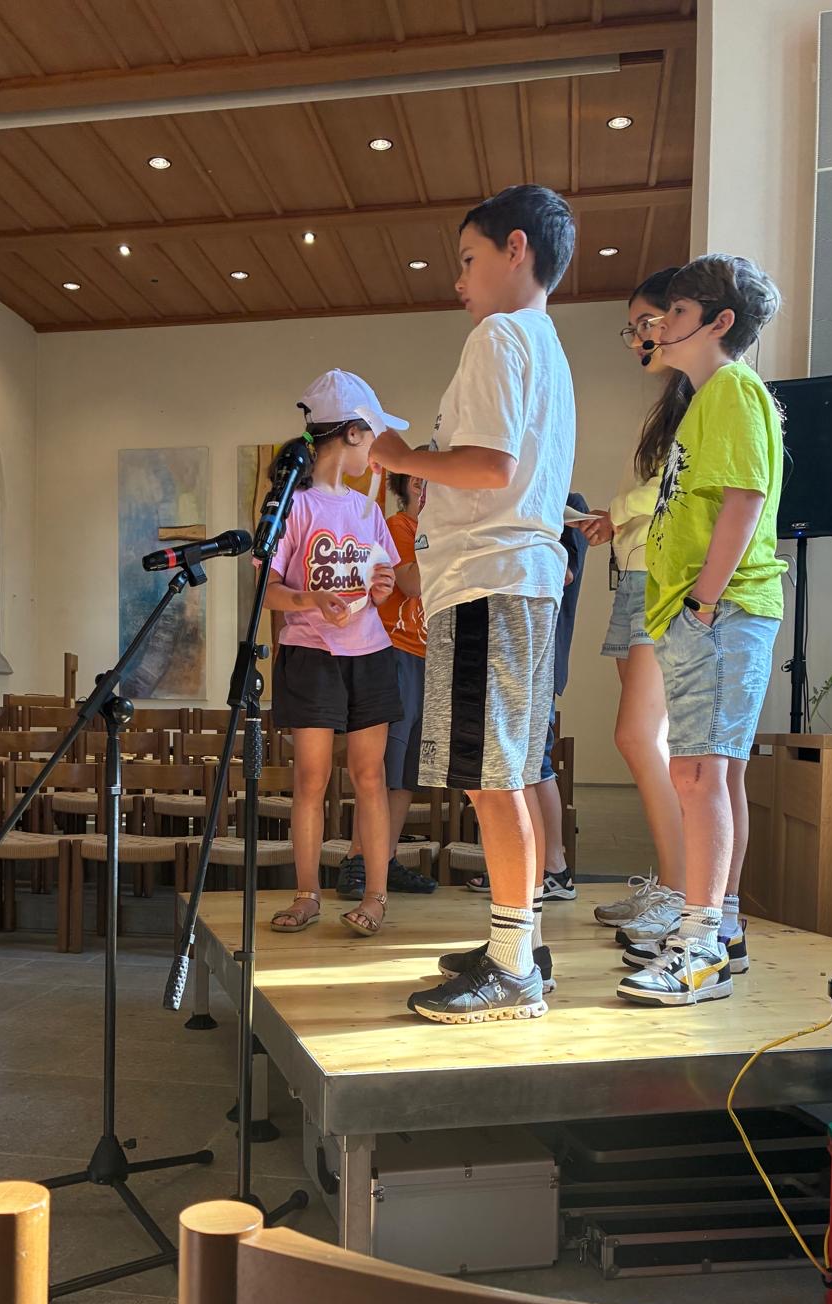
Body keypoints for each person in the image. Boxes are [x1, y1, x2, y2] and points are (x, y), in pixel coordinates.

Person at [371, 184, 577, 1024]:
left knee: (492, 780)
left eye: (467, 259)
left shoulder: (498, 335)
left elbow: (490, 466)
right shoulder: (547, 344)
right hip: (517, 577)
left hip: (488, 578)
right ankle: (520, 943)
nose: (458, 281)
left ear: (515, 248)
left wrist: (401, 457)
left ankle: (512, 970)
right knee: (512, 773)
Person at [617, 254, 784, 1006]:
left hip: (719, 610)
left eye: (677, 312)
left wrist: (704, 601)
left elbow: (745, 499)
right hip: (703, 612)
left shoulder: (735, 389)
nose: (661, 323)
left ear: (719, 322)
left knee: (698, 774)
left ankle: (701, 944)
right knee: (710, 771)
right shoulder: (707, 399)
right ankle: (723, 930)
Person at [264, 370, 405, 939]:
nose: (376, 450)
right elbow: (267, 591)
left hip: (369, 653)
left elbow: (383, 579)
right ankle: (306, 894)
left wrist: (382, 586)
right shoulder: (294, 506)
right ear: (350, 433)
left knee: (370, 776)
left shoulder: (369, 511)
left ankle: (376, 896)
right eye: (372, 436)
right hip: (311, 653)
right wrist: (309, 600)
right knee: (311, 778)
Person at [581, 269, 692, 945]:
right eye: (633, 328)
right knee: (651, 741)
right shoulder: (669, 403)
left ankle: (681, 892)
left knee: (640, 737)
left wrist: (618, 512)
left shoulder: (702, 398)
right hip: (635, 574)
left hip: (658, 579)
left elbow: (678, 488)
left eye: (645, 323)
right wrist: (614, 520)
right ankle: (672, 885)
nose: (638, 340)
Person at [462, 491, 588, 903]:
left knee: (535, 767)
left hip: (538, 655)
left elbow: (562, 573)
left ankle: (554, 869)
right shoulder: (536, 502)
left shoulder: (566, 505)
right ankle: (526, 870)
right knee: (517, 767)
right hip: (519, 652)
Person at [338, 451, 439, 900]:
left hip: (428, 658)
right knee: (382, 766)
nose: (431, 489)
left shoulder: (430, 533)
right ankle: (358, 860)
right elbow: (411, 583)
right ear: (411, 485)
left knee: (406, 772)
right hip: (395, 654)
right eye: (425, 481)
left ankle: (386, 858)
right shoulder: (399, 526)